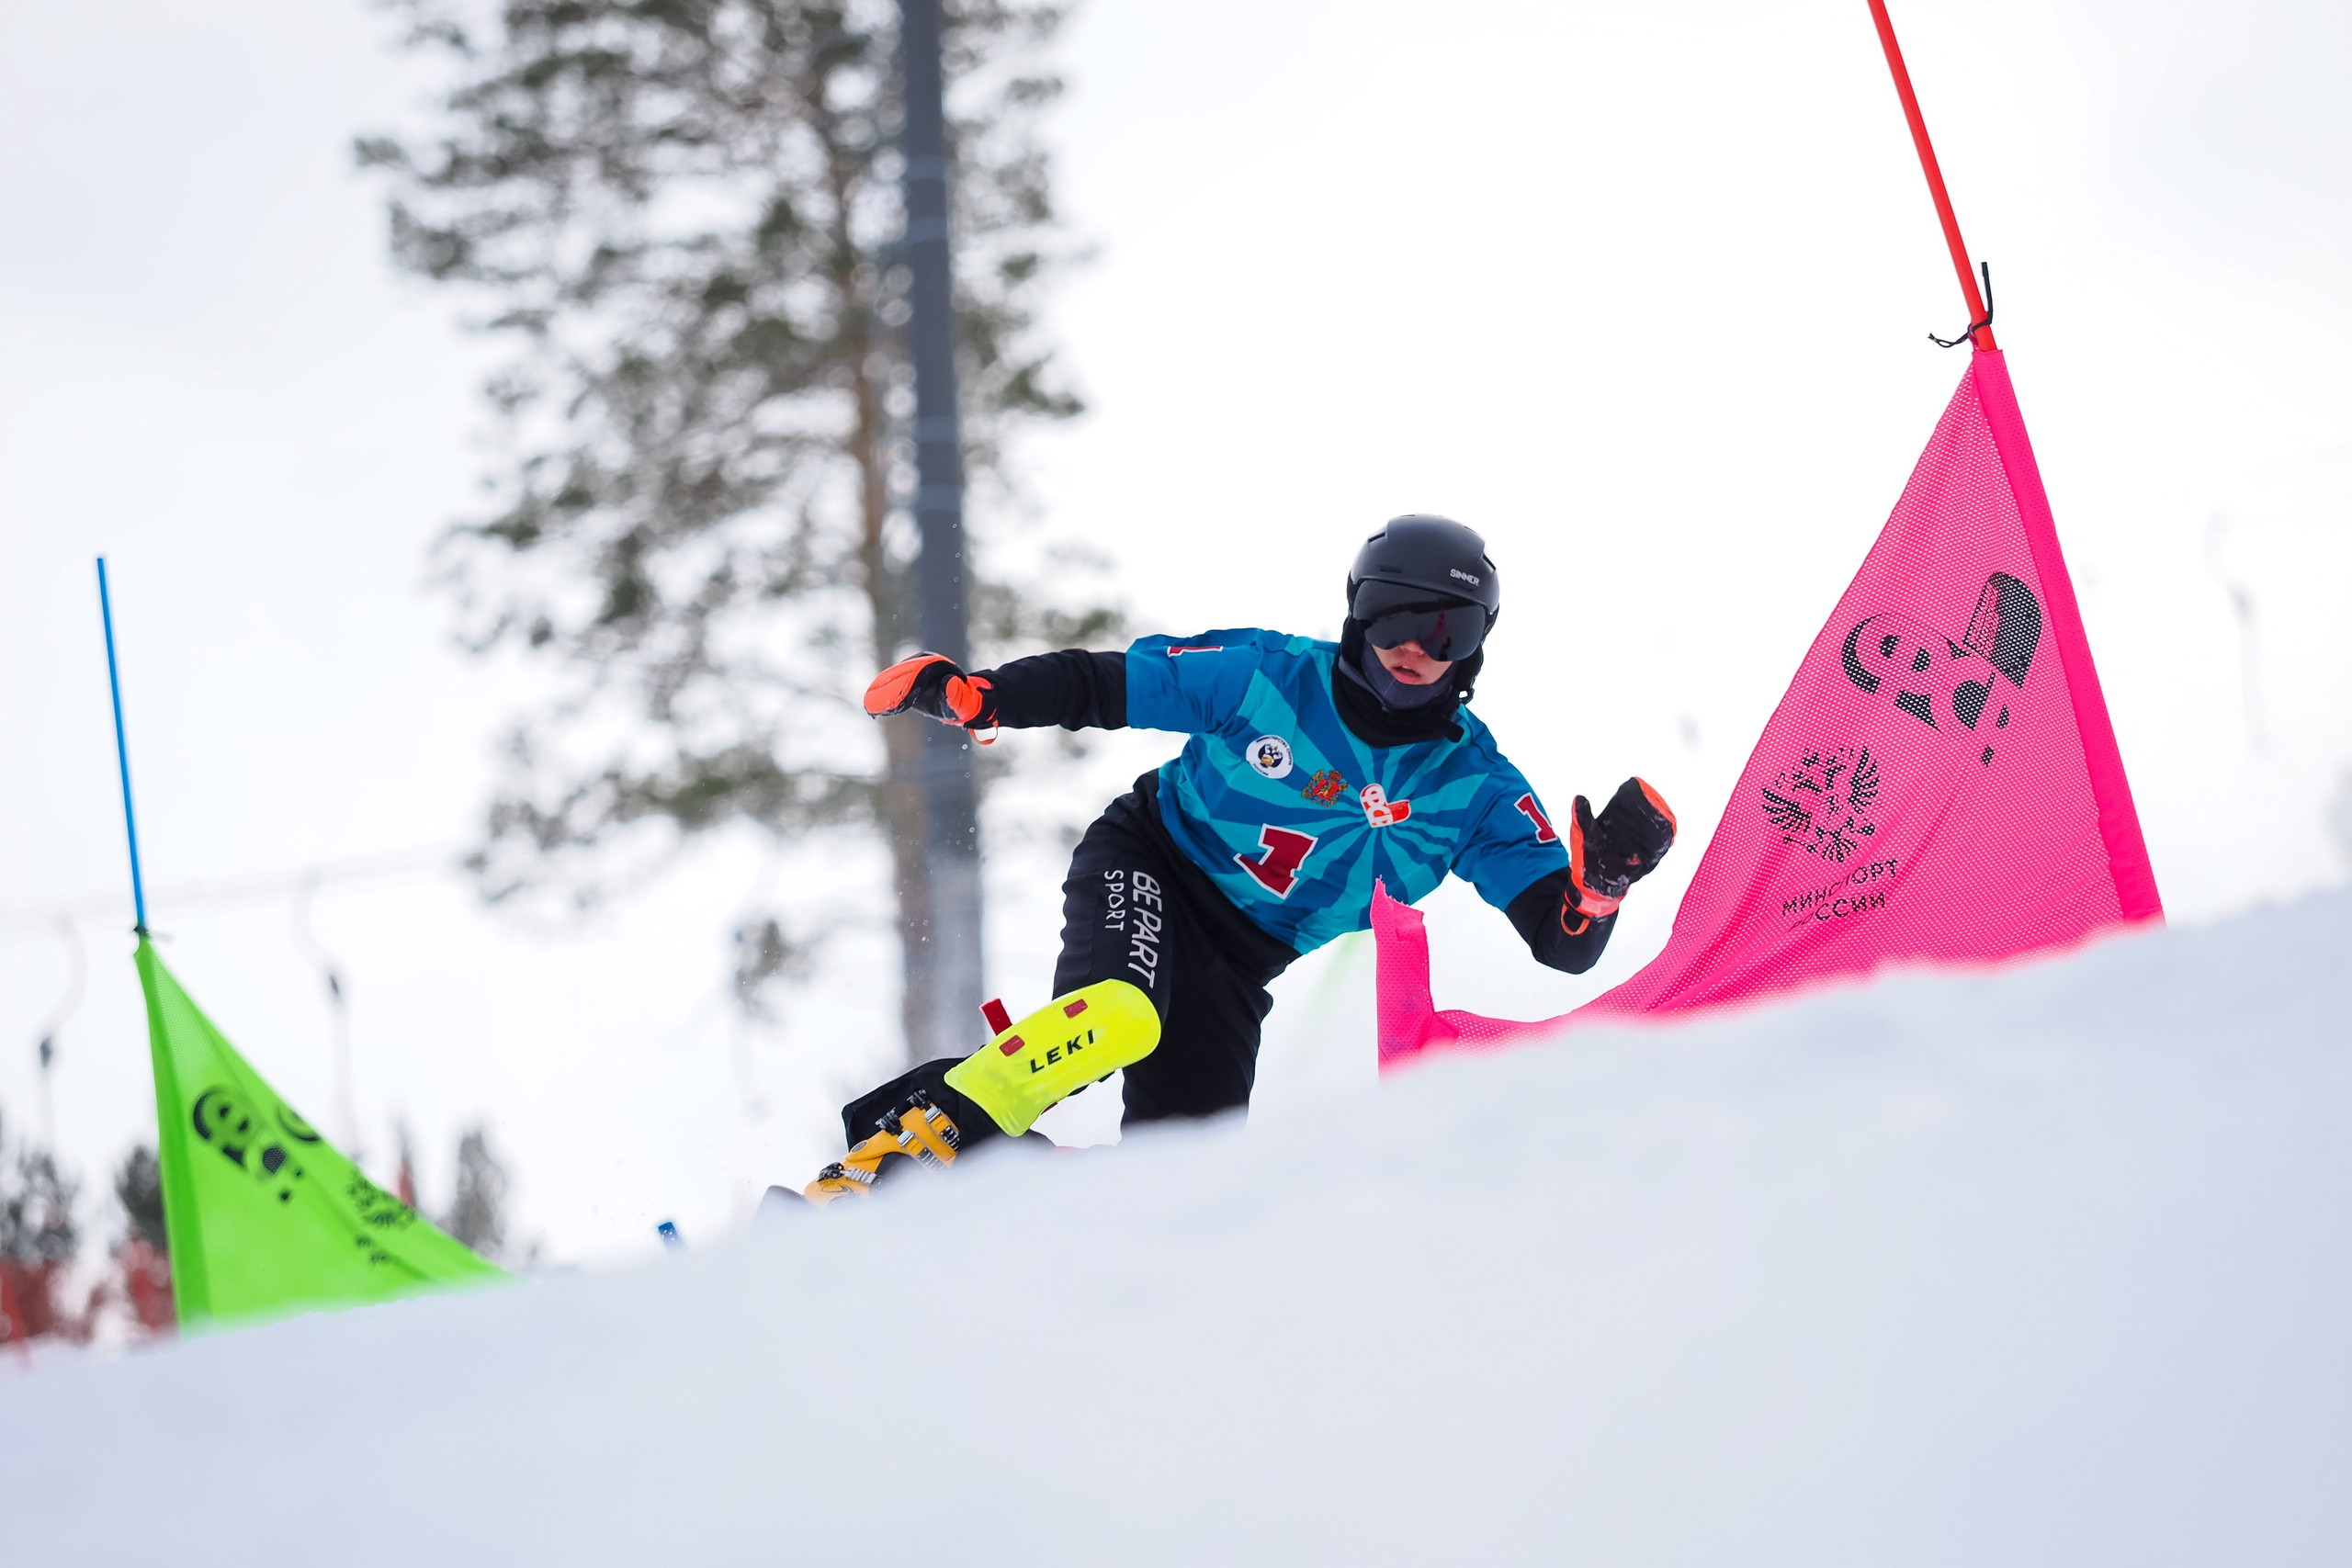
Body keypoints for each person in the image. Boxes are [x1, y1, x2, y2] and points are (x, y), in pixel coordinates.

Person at [798, 515, 1677, 1201]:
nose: (1417, 647)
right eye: (1396, 616)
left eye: (1448, 630)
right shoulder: (1265, 676)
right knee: (1117, 1014)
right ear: (1358, 613)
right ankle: (890, 1155)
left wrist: (1600, 888)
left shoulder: (1474, 787)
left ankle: (999, 1179)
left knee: (1185, 1175)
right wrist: (984, 696)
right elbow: (1106, 683)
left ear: (1477, 644)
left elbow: (1560, 939)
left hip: (1240, 963)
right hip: (1152, 862)